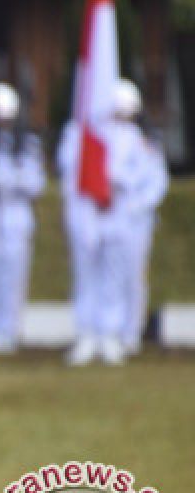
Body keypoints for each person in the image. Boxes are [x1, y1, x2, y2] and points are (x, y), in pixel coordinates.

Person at [58, 85, 134, 366]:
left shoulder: (133, 138)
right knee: (85, 277)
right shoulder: (76, 133)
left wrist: (113, 180)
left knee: (113, 278)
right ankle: (86, 334)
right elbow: (68, 166)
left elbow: (139, 175)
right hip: (86, 214)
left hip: (116, 213)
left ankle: (110, 335)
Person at [0, 83, 45, 354]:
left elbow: (35, 183)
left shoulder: (28, 144)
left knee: (13, 275)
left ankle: (9, 330)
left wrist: (13, 178)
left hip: (16, 217)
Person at [110, 78, 169, 355]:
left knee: (134, 276)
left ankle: (131, 332)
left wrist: (138, 204)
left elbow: (157, 182)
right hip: (109, 215)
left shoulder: (147, 143)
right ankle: (110, 328)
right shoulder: (104, 141)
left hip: (136, 218)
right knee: (110, 275)